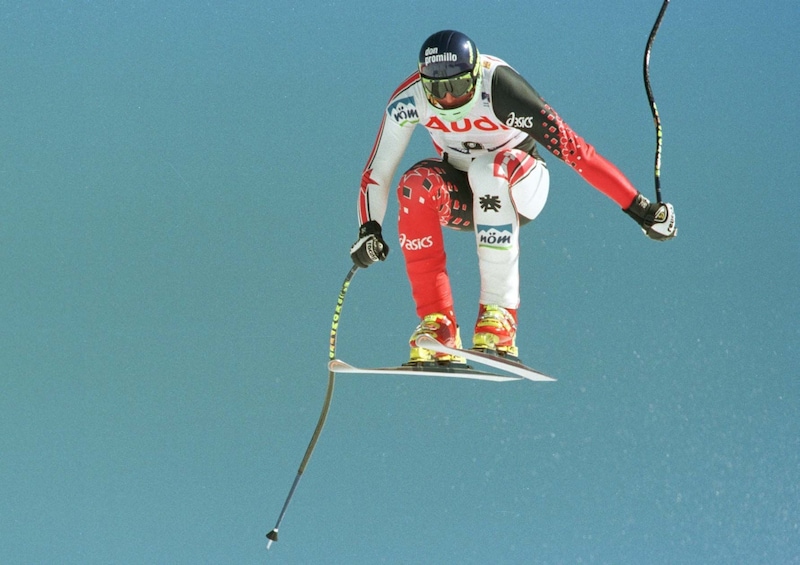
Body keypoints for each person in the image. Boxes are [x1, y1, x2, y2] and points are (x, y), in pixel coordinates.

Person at [349, 30, 676, 364]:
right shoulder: (410, 98)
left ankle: (500, 316)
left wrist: (640, 208)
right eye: (436, 88)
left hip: (522, 183)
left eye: (457, 87)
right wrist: (369, 229)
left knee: (488, 170)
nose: (447, 98)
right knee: (416, 186)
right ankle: (438, 322)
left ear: (475, 77)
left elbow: (576, 151)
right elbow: (378, 171)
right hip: (467, 195)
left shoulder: (500, 88)